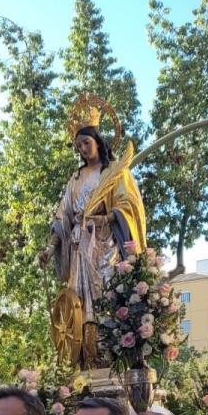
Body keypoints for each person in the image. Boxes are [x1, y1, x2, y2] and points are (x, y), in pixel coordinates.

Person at [43, 123, 148, 368]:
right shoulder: (75, 178)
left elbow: (127, 204)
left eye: (86, 143)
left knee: (105, 294)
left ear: (97, 142)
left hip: (104, 243)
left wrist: (108, 218)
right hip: (79, 245)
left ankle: (109, 354)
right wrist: (50, 248)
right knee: (78, 300)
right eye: (78, 146)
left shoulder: (113, 171)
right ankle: (84, 360)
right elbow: (63, 216)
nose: (82, 149)